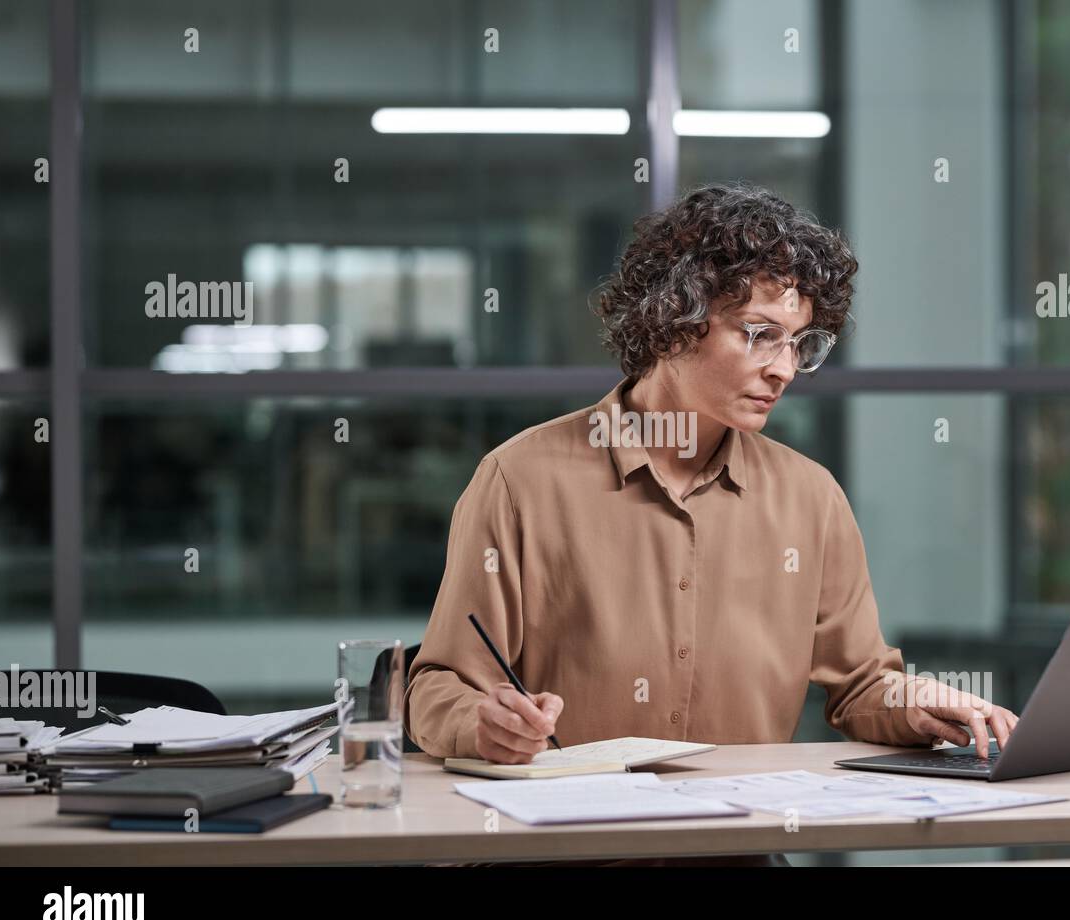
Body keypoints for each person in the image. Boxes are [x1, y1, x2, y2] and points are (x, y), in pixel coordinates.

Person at [405, 182, 1018, 866]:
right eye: (758, 335)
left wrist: (920, 702)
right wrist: (482, 723)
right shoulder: (520, 480)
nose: (784, 368)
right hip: (558, 851)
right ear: (675, 320)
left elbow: (863, 686)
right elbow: (438, 687)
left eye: (800, 344)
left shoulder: (809, 497)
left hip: (742, 853)